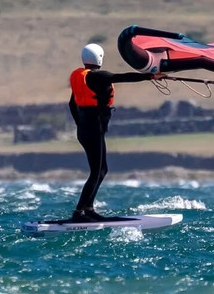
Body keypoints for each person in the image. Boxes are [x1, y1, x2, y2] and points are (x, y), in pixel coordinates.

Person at [69, 43, 165, 222]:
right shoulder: (98, 76)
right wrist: (151, 76)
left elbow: (71, 104)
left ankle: (88, 209)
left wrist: (81, 124)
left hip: (85, 129)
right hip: (93, 129)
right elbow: (122, 77)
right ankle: (80, 212)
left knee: (102, 170)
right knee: (96, 172)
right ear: (100, 58)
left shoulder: (79, 77)